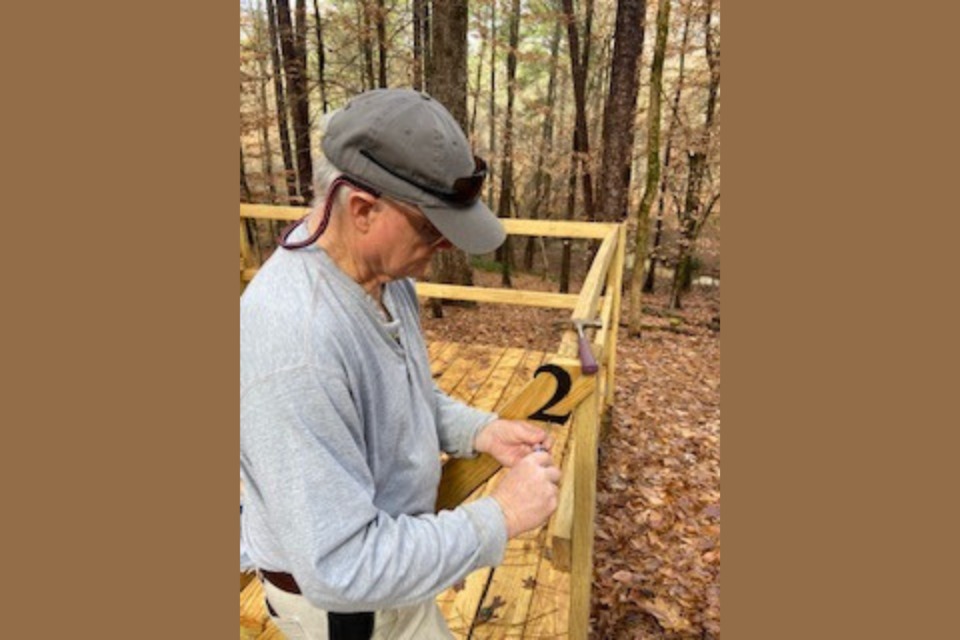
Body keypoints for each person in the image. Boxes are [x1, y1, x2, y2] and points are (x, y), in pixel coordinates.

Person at [240, 88, 562, 640]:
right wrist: (499, 517)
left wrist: (479, 431)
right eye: (433, 229)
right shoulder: (297, 346)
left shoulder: (385, 274)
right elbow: (341, 566)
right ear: (363, 210)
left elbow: (401, 394)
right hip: (348, 611)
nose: (446, 246)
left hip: (393, 582)